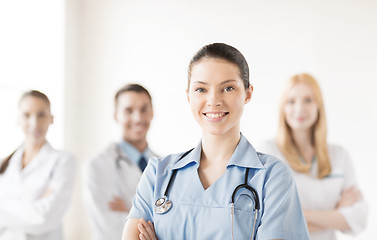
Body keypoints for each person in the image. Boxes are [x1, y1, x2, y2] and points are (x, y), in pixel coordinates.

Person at [122, 43, 310, 240]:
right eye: (201, 89)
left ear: (248, 93)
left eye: (228, 88)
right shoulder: (158, 174)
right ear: (188, 95)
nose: (214, 100)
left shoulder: (272, 177)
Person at [258, 73, 368, 240]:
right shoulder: (269, 152)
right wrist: (336, 214)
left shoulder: (339, 155)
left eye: (308, 100)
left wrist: (295, 216)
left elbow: (360, 218)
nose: (300, 108)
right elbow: (268, 221)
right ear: (283, 108)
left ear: (319, 106)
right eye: (291, 101)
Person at [83, 84, 158, 240]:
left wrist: (129, 209)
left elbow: (174, 223)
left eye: (144, 109)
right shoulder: (98, 165)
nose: (138, 118)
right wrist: (154, 219)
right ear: (116, 115)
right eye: (129, 111)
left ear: (152, 113)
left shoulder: (164, 166)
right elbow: (110, 228)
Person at [0, 90, 76, 240]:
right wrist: (32, 207)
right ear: (18, 119)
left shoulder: (63, 161)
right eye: (26, 115)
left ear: (51, 119)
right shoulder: (5, 164)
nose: (34, 123)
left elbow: (45, 218)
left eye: (41, 115)